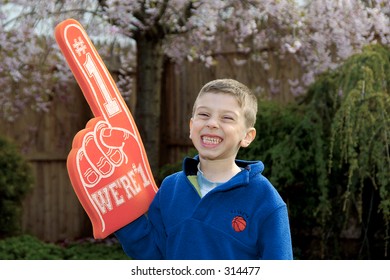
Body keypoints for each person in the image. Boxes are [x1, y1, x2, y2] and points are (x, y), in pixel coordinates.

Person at [115, 78, 293, 260]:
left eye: (227, 118)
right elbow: (153, 255)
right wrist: (120, 214)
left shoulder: (265, 199)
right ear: (192, 127)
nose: (212, 123)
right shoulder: (170, 189)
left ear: (247, 136)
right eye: (204, 115)